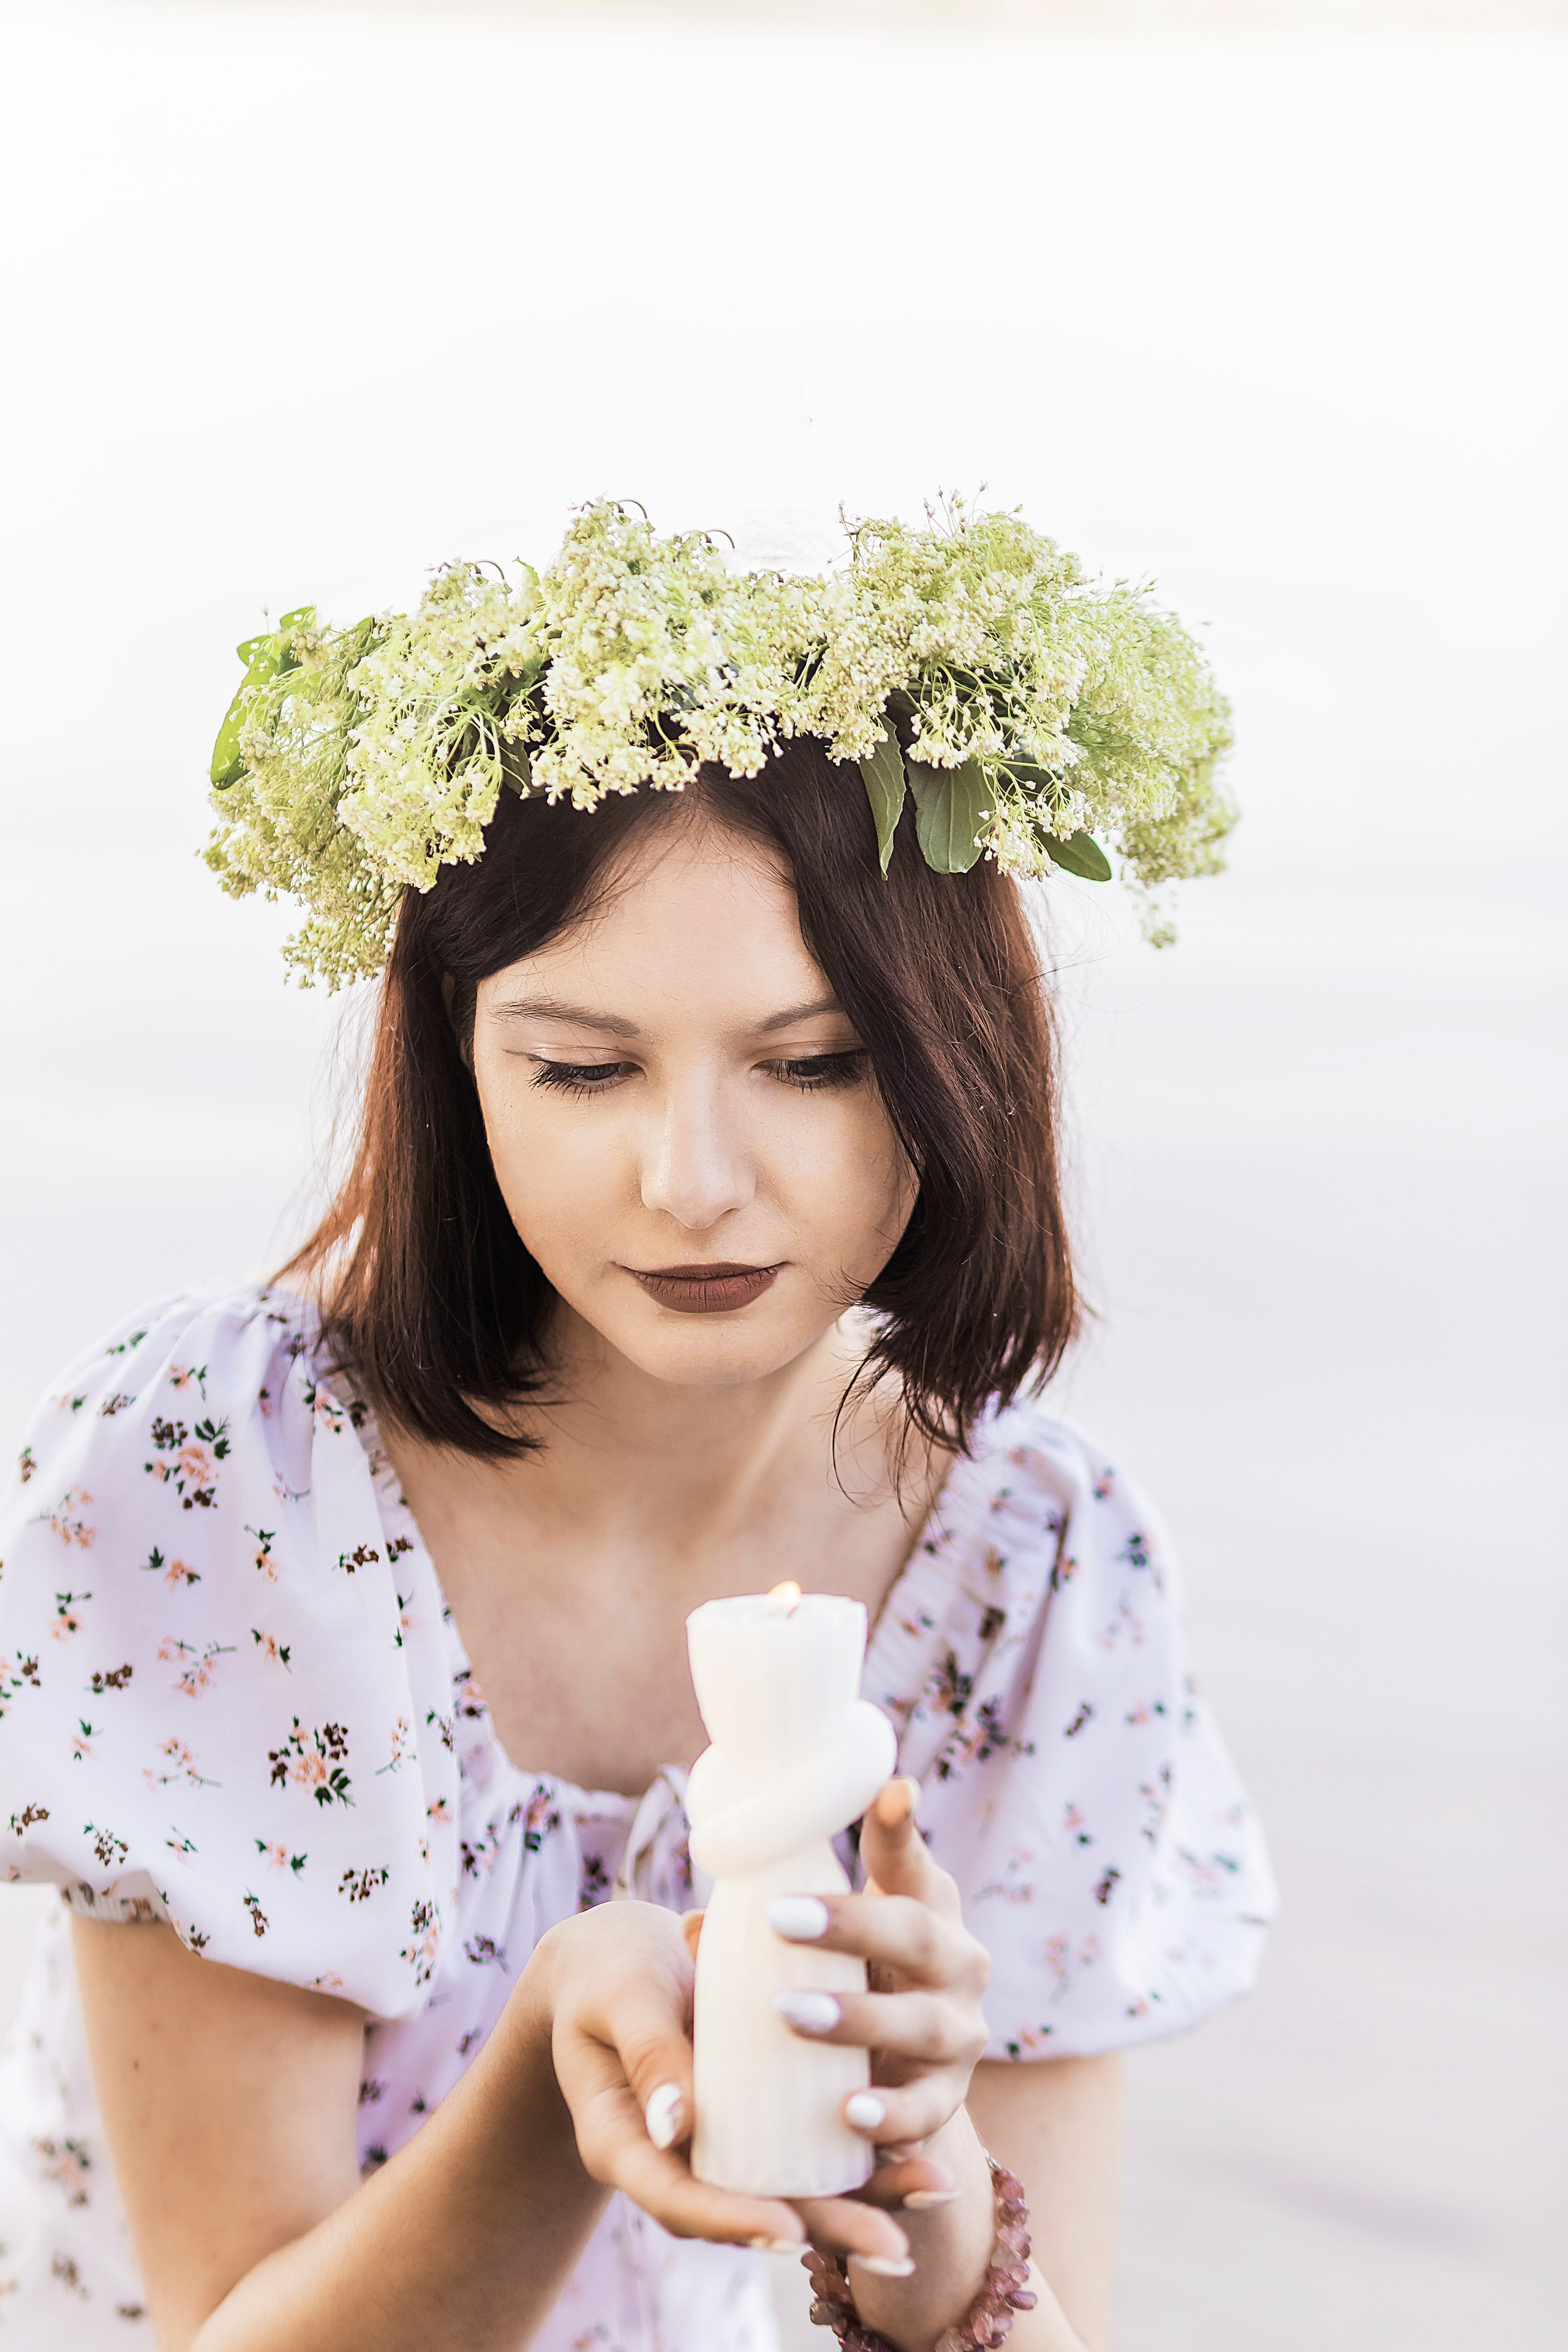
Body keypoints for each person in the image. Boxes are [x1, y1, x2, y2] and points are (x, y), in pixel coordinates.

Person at [0, 503, 1274, 2352]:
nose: (693, 1183)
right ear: (457, 1063)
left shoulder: (1033, 1570)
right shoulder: (232, 1483)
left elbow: (1029, 2315)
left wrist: (923, 2192)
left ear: (956, 1055)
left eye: (814, 1063)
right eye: (584, 1068)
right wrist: (549, 2070)